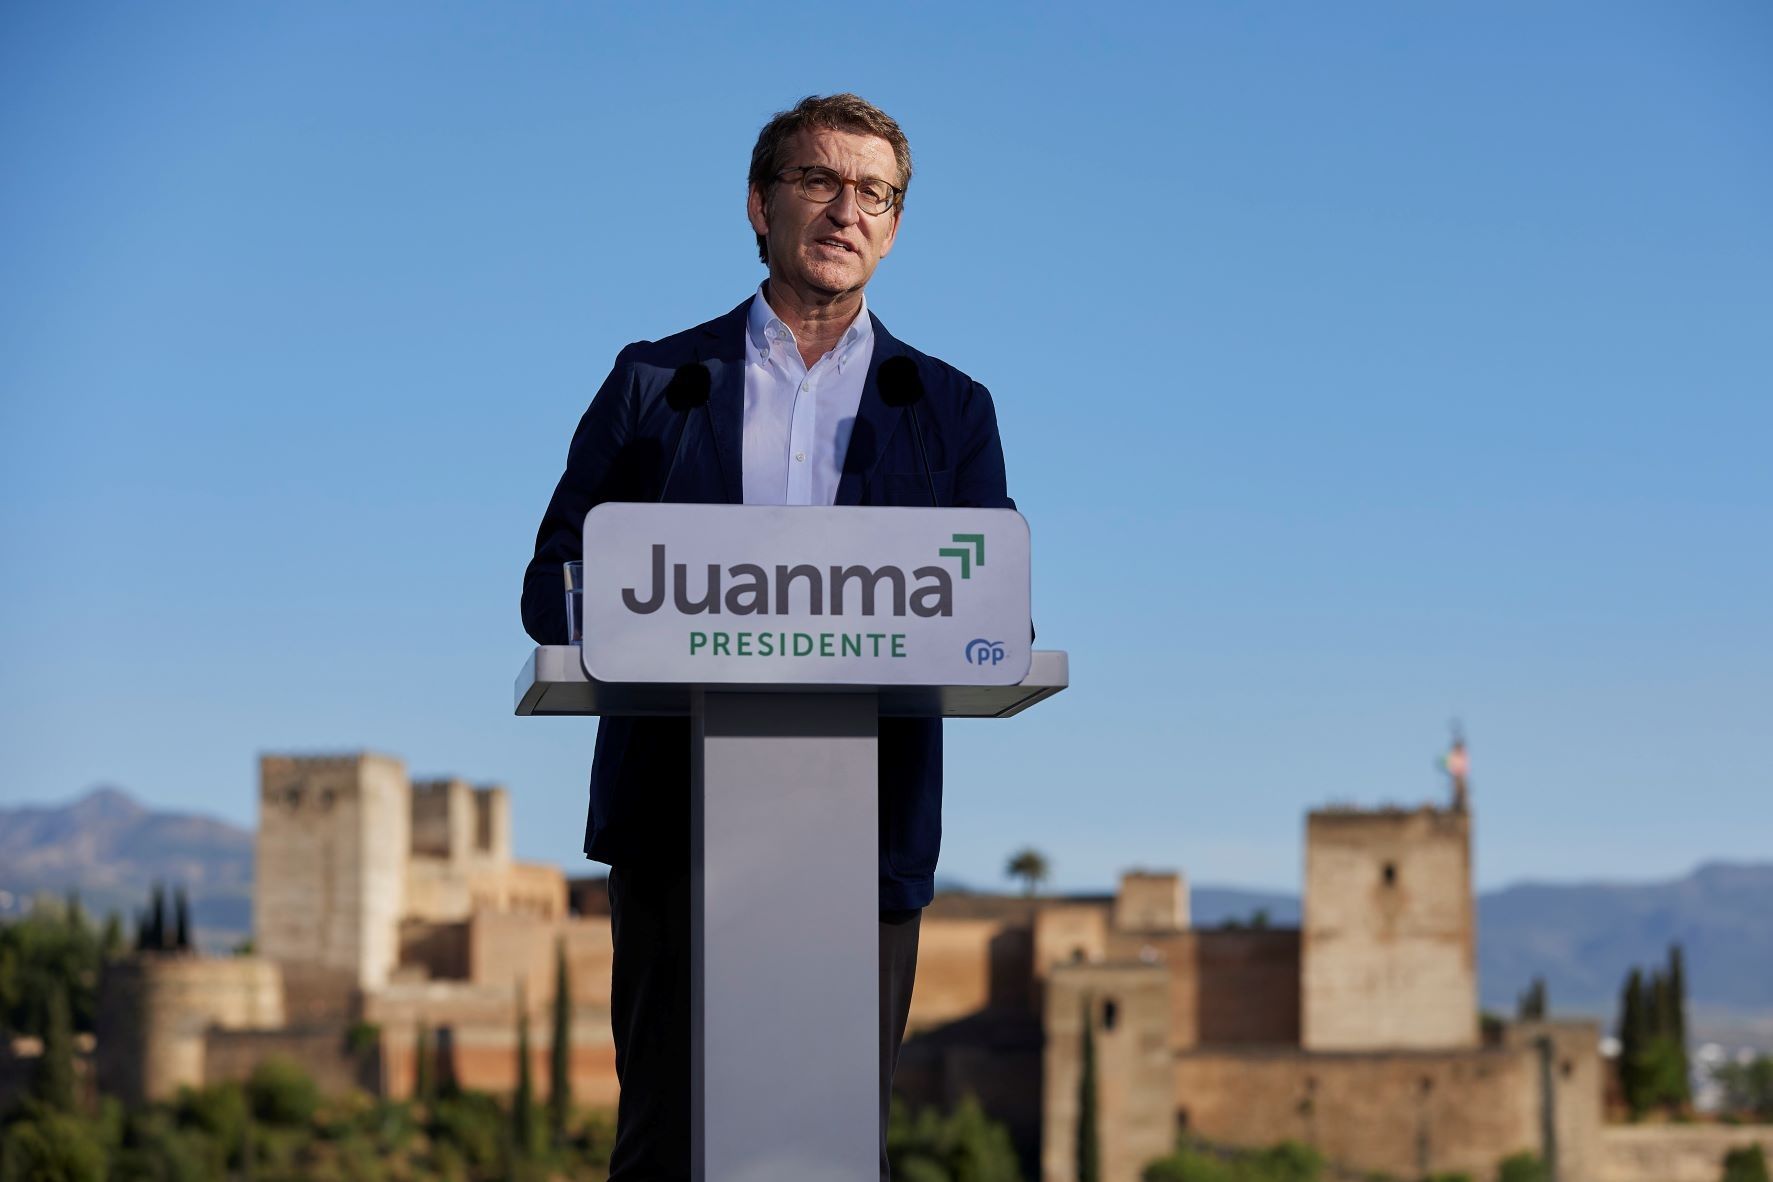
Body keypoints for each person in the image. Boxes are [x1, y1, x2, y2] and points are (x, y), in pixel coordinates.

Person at [520, 93, 1015, 1182]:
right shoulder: (657, 383)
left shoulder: (950, 411)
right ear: (759, 204)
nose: (849, 210)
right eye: (820, 183)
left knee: (833, 1153)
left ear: (893, 227)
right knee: (666, 1144)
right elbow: (554, 583)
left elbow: (991, 613)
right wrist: (671, 626)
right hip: (677, 831)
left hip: (866, 838)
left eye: (875, 194)